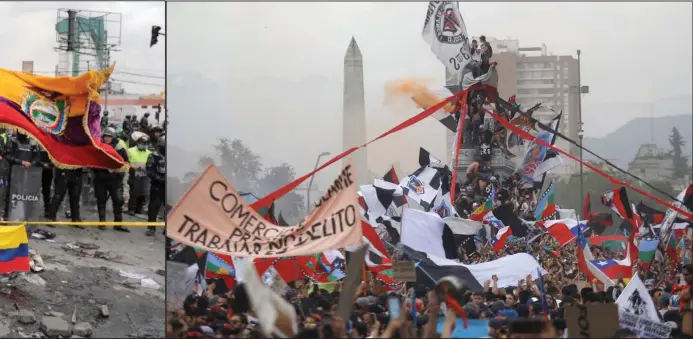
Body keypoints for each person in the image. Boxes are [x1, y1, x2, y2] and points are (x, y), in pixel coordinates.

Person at [93, 127, 130, 232]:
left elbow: (126, 163)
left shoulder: (119, 149)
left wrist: (119, 174)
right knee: (101, 200)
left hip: (115, 180)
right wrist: (100, 170)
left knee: (118, 201)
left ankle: (118, 224)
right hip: (101, 179)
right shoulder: (98, 147)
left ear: (113, 137)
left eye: (109, 136)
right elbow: (92, 162)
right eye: (105, 136)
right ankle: (102, 222)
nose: (107, 138)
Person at [3, 131, 41, 220]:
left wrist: (31, 163)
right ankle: (7, 215)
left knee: (29, 195)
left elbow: (37, 157)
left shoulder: (33, 143)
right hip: (14, 173)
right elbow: (7, 155)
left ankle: (27, 216)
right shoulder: (12, 141)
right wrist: (21, 162)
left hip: (29, 174)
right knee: (11, 195)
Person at [146, 136, 166, 236]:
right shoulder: (153, 156)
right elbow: (149, 171)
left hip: (168, 187)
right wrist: (160, 179)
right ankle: (151, 228)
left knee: (170, 208)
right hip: (157, 185)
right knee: (154, 207)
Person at [127, 135, 152, 215]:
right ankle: (132, 209)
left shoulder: (149, 153)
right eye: (142, 143)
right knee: (134, 191)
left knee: (144, 192)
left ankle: (139, 209)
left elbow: (151, 163)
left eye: (145, 143)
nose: (143, 144)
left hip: (145, 173)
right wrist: (134, 166)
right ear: (137, 143)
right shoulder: (130, 150)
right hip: (133, 172)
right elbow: (126, 162)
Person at [39, 147, 53, 218]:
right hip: (37, 168)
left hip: (48, 170)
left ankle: (47, 210)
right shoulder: (36, 140)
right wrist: (41, 164)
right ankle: (30, 209)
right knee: (33, 190)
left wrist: (51, 164)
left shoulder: (50, 140)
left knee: (46, 190)